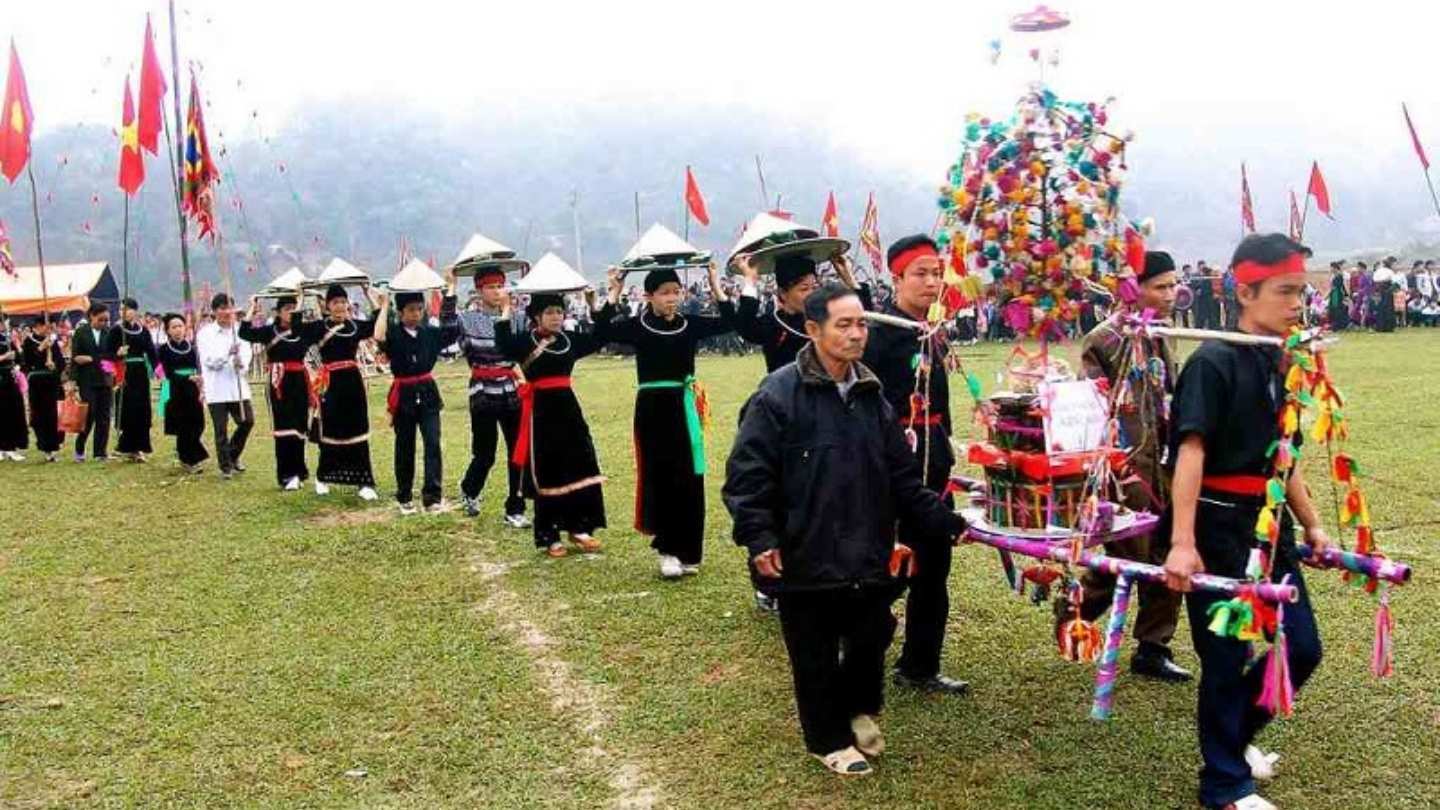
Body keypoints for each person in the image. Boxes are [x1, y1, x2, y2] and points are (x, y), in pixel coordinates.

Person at [723, 283, 967, 777]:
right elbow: (748, 476)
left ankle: (858, 708)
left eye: (862, 324)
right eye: (844, 325)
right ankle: (827, 740)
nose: (857, 335)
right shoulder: (777, 395)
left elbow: (902, 478)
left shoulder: (871, 395)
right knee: (812, 650)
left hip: (867, 543)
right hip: (805, 545)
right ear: (813, 330)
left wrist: (949, 521)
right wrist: (760, 537)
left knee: (872, 632)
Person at [1163, 233, 1330, 810]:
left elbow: (1286, 454)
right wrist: (1182, 544)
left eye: (1301, 292)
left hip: (1269, 524)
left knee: (1302, 646)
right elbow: (1189, 454)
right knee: (1227, 656)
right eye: (1284, 291)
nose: (1296, 304)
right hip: (1216, 526)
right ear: (1245, 291)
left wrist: (1311, 525)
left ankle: (1235, 742)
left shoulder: (1283, 359)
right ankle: (1224, 784)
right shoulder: (1212, 361)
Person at [1062, 251, 1191, 682]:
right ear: (1134, 289)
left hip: (1167, 463)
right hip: (1125, 468)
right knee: (1126, 556)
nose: (1171, 294)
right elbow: (1089, 404)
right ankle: (1075, 609)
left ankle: (1153, 647)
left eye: (1174, 285)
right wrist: (1111, 463)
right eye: (1161, 286)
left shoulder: (1163, 332)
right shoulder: (1104, 339)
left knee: (1165, 555)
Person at [729, 250, 870, 611]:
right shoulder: (775, 324)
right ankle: (767, 581)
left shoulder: (832, 325)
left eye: (815, 285)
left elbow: (862, 315)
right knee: (778, 499)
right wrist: (749, 277)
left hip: (829, 417)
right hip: (783, 418)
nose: (812, 293)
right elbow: (744, 323)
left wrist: (846, 272)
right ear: (783, 296)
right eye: (804, 288)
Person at [861, 234, 968, 696]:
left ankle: (920, 665)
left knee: (934, 568)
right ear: (897, 277)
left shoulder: (931, 330)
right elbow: (869, 408)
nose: (930, 282)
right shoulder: (878, 333)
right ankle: (852, 650)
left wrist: (942, 449)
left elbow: (939, 403)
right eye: (919, 274)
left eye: (935, 273)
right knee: (886, 568)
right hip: (893, 469)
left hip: (934, 462)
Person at [596, 261, 739, 579]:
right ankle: (667, 550)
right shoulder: (639, 326)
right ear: (649, 296)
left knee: (690, 476)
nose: (672, 298)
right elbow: (601, 330)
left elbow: (731, 321)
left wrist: (715, 283)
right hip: (652, 408)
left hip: (685, 405)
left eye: (676, 292)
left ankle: (689, 551)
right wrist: (614, 291)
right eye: (664, 293)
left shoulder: (689, 324)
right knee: (660, 475)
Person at [494, 288, 608, 556]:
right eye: (549, 312)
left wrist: (593, 303)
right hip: (540, 413)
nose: (556, 317)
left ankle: (580, 528)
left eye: (559, 311)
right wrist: (506, 308)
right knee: (548, 470)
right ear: (537, 316)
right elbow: (502, 342)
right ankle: (548, 535)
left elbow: (601, 337)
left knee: (581, 462)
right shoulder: (524, 341)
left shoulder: (570, 340)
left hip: (569, 409)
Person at [373, 278, 461, 514]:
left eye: (419, 309)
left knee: (433, 443)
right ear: (401, 312)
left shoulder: (430, 333)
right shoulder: (393, 334)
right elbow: (378, 337)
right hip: (403, 395)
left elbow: (452, 330)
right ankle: (404, 496)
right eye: (411, 309)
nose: (416, 313)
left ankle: (432, 497)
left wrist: (448, 291)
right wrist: (383, 306)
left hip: (428, 393)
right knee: (405, 446)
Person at [456, 267, 529, 525]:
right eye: (491, 287)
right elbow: (446, 325)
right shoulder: (467, 319)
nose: (497, 292)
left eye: (500, 286)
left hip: (512, 389)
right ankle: (470, 489)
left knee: (518, 452)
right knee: (485, 453)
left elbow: (523, 348)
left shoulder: (519, 318)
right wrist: (448, 288)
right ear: (479, 291)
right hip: (483, 391)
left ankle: (515, 508)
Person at [301, 285, 380, 501]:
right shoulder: (319, 327)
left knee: (358, 428)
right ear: (327, 306)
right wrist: (301, 297)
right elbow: (298, 328)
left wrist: (367, 293)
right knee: (332, 429)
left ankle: (364, 482)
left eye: (343, 302)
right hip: (330, 383)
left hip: (353, 382)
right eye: (335, 302)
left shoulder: (354, 326)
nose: (340, 306)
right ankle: (323, 477)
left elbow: (377, 320)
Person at [240, 293, 315, 490]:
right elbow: (244, 332)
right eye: (287, 309)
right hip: (278, 382)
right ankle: (286, 474)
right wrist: (252, 306)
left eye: (294, 308)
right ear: (279, 312)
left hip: (300, 379)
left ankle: (299, 471)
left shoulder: (303, 331)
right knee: (284, 428)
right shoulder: (269, 331)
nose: (291, 312)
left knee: (300, 426)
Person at [197, 293, 256, 479]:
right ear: (215, 311)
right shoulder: (205, 334)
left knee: (247, 421)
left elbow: (247, 357)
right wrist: (227, 354)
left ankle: (232, 455)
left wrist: (241, 363)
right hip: (217, 389)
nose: (226, 312)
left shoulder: (240, 332)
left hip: (238, 387)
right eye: (222, 308)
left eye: (229, 308)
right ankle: (225, 467)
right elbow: (209, 361)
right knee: (220, 429)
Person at [157, 313, 209, 472]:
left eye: (180, 326)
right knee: (183, 425)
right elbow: (166, 372)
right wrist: (187, 378)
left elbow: (199, 367)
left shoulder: (192, 347)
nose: (178, 330)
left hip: (193, 389)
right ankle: (188, 459)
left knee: (198, 423)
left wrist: (200, 379)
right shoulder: (164, 350)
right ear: (168, 330)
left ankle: (188, 454)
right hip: (176, 389)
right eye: (174, 327)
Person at [109, 297, 158, 461]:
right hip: (124, 372)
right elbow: (105, 356)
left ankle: (139, 447)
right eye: (120, 310)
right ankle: (128, 446)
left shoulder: (143, 331)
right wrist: (117, 354)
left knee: (142, 409)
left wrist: (161, 373)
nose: (122, 312)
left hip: (140, 373)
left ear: (134, 311)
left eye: (126, 309)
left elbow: (152, 354)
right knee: (127, 409)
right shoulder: (116, 330)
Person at [68, 302, 115, 462]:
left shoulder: (109, 333)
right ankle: (80, 448)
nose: (103, 323)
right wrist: (72, 381)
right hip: (87, 380)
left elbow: (110, 356)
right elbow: (76, 358)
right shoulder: (81, 333)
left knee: (104, 416)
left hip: (105, 379)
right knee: (89, 414)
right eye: (100, 319)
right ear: (91, 317)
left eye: (106, 320)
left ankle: (100, 452)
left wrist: (92, 359)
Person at [19, 317, 65, 461]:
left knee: (54, 415)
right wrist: (40, 349)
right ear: (38, 327)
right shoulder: (28, 342)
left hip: (52, 382)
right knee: (40, 415)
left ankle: (54, 447)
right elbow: (26, 363)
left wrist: (55, 365)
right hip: (37, 383)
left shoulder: (53, 343)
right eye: (47, 326)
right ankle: (45, 446)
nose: (49, 329)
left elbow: (61, 362)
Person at [0, 318, 28, 461]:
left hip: (10, 379)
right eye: (4, 323)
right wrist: (4, 357)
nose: (6, 326)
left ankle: (11, 447)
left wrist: (17, 365)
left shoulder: (9, 340)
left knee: (13, 411)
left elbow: (19, 358)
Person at [1325, 262, 1349, 330]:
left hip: (1337, 295)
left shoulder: (1339, 276)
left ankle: (1337, 326)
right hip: (1335, 295)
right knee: (1333, 309)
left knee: (1337, 310)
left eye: (1331, 268)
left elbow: (1335, 287)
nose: (1331, 269)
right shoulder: (1336, 276)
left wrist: (1326, 296)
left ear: (1335, 268)